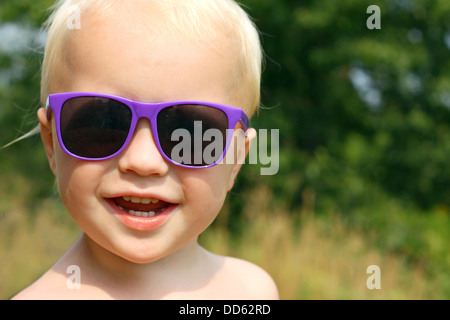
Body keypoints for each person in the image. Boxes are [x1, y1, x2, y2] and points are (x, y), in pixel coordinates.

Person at [12, 0, 279, 299]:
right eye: (103, 123)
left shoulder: (252, 290)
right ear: (52, 143)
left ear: (236, 159)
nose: (142, 161)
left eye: (190, 132)